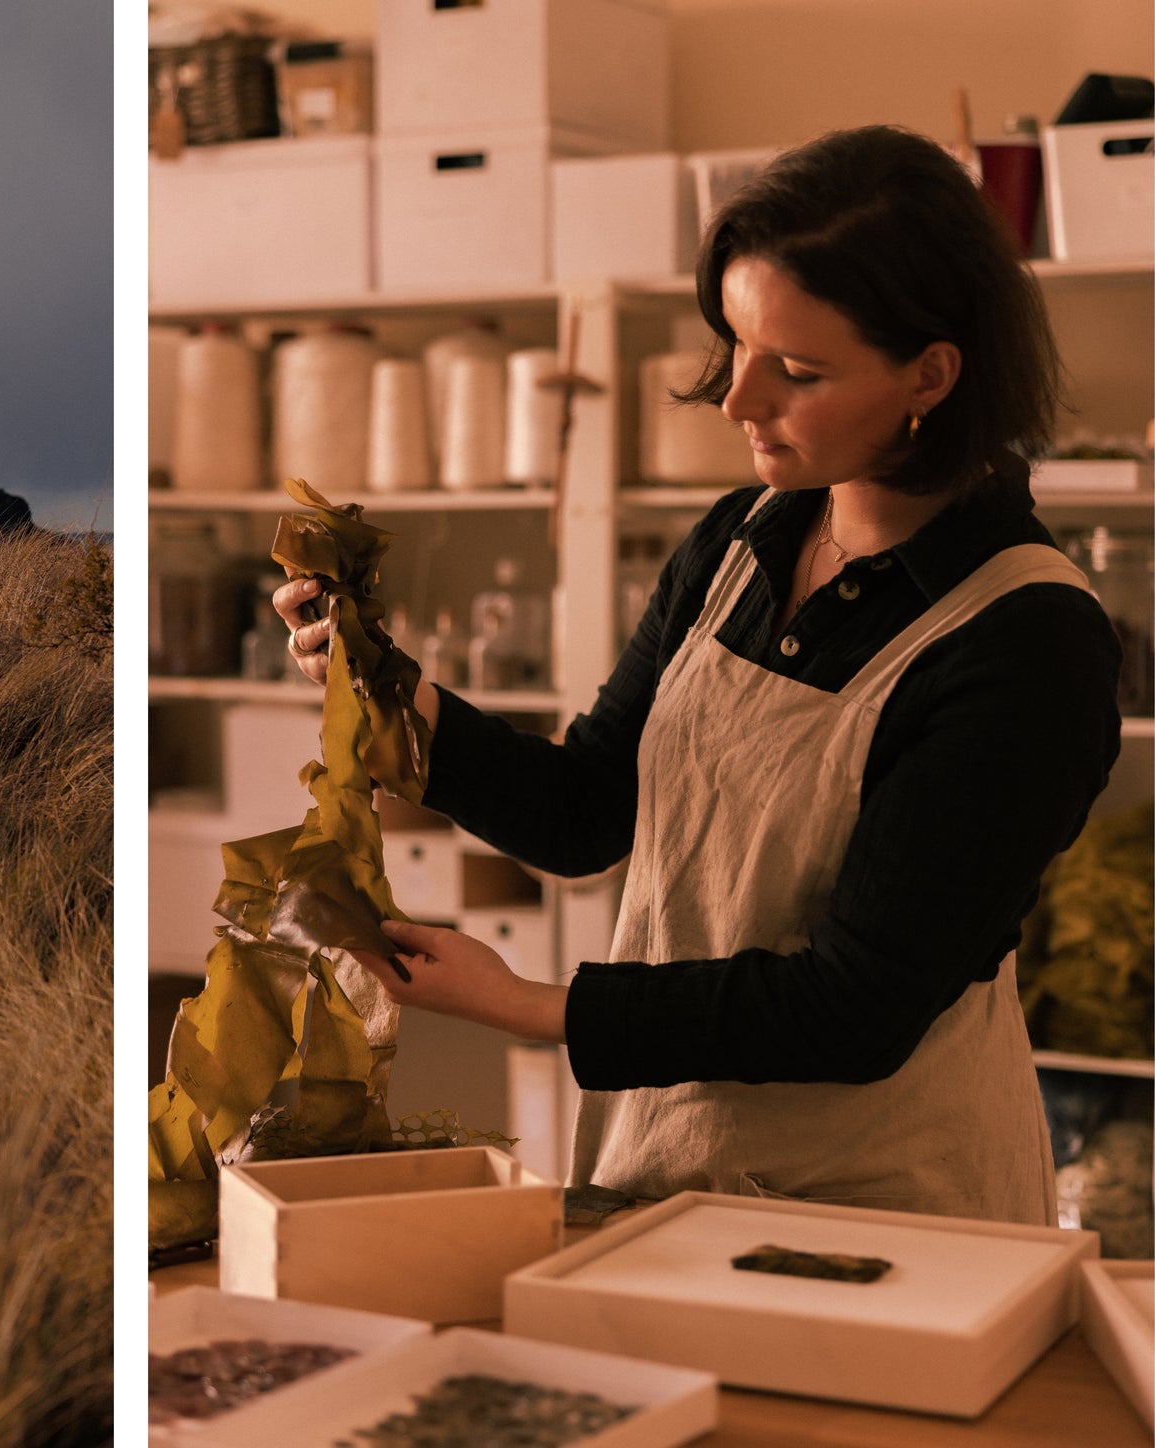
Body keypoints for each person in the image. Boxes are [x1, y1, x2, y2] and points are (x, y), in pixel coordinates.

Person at [273, 125, 1121, 1226]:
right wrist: (384, 692)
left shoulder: (1026, 640)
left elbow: (853, 1006)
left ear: (929, 374)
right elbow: (585, 807)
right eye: (734, 346)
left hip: (887, 1209)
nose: (736, 400)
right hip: (670, 1168)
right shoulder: (738, 542)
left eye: (795, 371)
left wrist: (533, 1006)